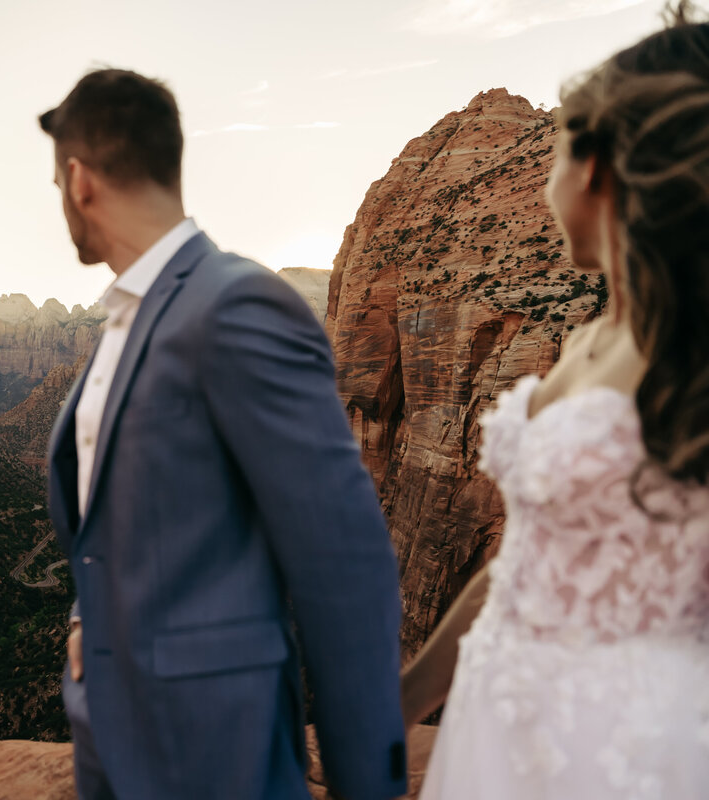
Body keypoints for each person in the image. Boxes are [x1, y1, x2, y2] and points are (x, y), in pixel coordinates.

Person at [40, 68, 406, 800]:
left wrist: (367, 782)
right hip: (109, 737)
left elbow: (343, 564)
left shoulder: (237, 303)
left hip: (216, 751)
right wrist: (89, 617)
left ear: (80, 179)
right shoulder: (128, 316)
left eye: (57, 185)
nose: (62, 201)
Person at [402, 5, 709, 798]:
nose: (543, 184)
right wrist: (405, 696)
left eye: (554, 157)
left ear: (598, 167)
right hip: (498, 717)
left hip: (632, 741)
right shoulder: (587, 339)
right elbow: (522, 562)